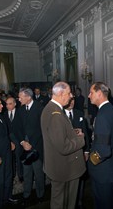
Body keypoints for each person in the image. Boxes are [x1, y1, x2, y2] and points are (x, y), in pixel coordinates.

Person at [41, 81, 86, 209]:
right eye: (68, 93)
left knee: (60, 201)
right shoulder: (56, 114)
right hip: (65, 169)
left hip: (59, 166)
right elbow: (64, 147)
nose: (71, 96)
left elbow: (57, 135)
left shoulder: (51, 109)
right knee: (64, 203)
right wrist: (81, 139)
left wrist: (72, 132)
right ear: (60, 94)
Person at [88, 82, 113, 209]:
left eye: (91, 92)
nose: (89, 95)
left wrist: (90, 162)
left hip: (103, 172)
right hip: (112, 168)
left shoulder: (102, 115)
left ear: (99, 94)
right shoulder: (112, 110)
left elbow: (103, 151)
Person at [15, 87, 45, 205]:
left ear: (28, 97)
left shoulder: (40, 108)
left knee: (38, 173)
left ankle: (40, 195)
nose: (18, 99)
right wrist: (23, 142)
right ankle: (26, 195)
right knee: (27, 173)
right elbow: (17, 128)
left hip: (36, 147)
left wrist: (31, 144)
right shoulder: (20, 110)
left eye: (20, 97)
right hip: (24, 147)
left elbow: (42, 129)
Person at [64, 97, 91, 208]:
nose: (72, 102)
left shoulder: (79, 113)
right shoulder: (59, 115)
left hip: (80, 151)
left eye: (73, 100)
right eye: (69, 100)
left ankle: (78, 201)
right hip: (67, 152)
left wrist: (87, 150)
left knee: (80, 177)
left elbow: (85, 132)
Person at [4, 96, 23, 182]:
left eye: (10, 104)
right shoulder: (3, 114)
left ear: (15, 104)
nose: (8, 106)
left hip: (19, 139)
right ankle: (12, 175)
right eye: (6, 104)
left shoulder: (20, 113)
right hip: (8, 140)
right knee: (10, 159)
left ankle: (20, 175)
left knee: (19, 158)